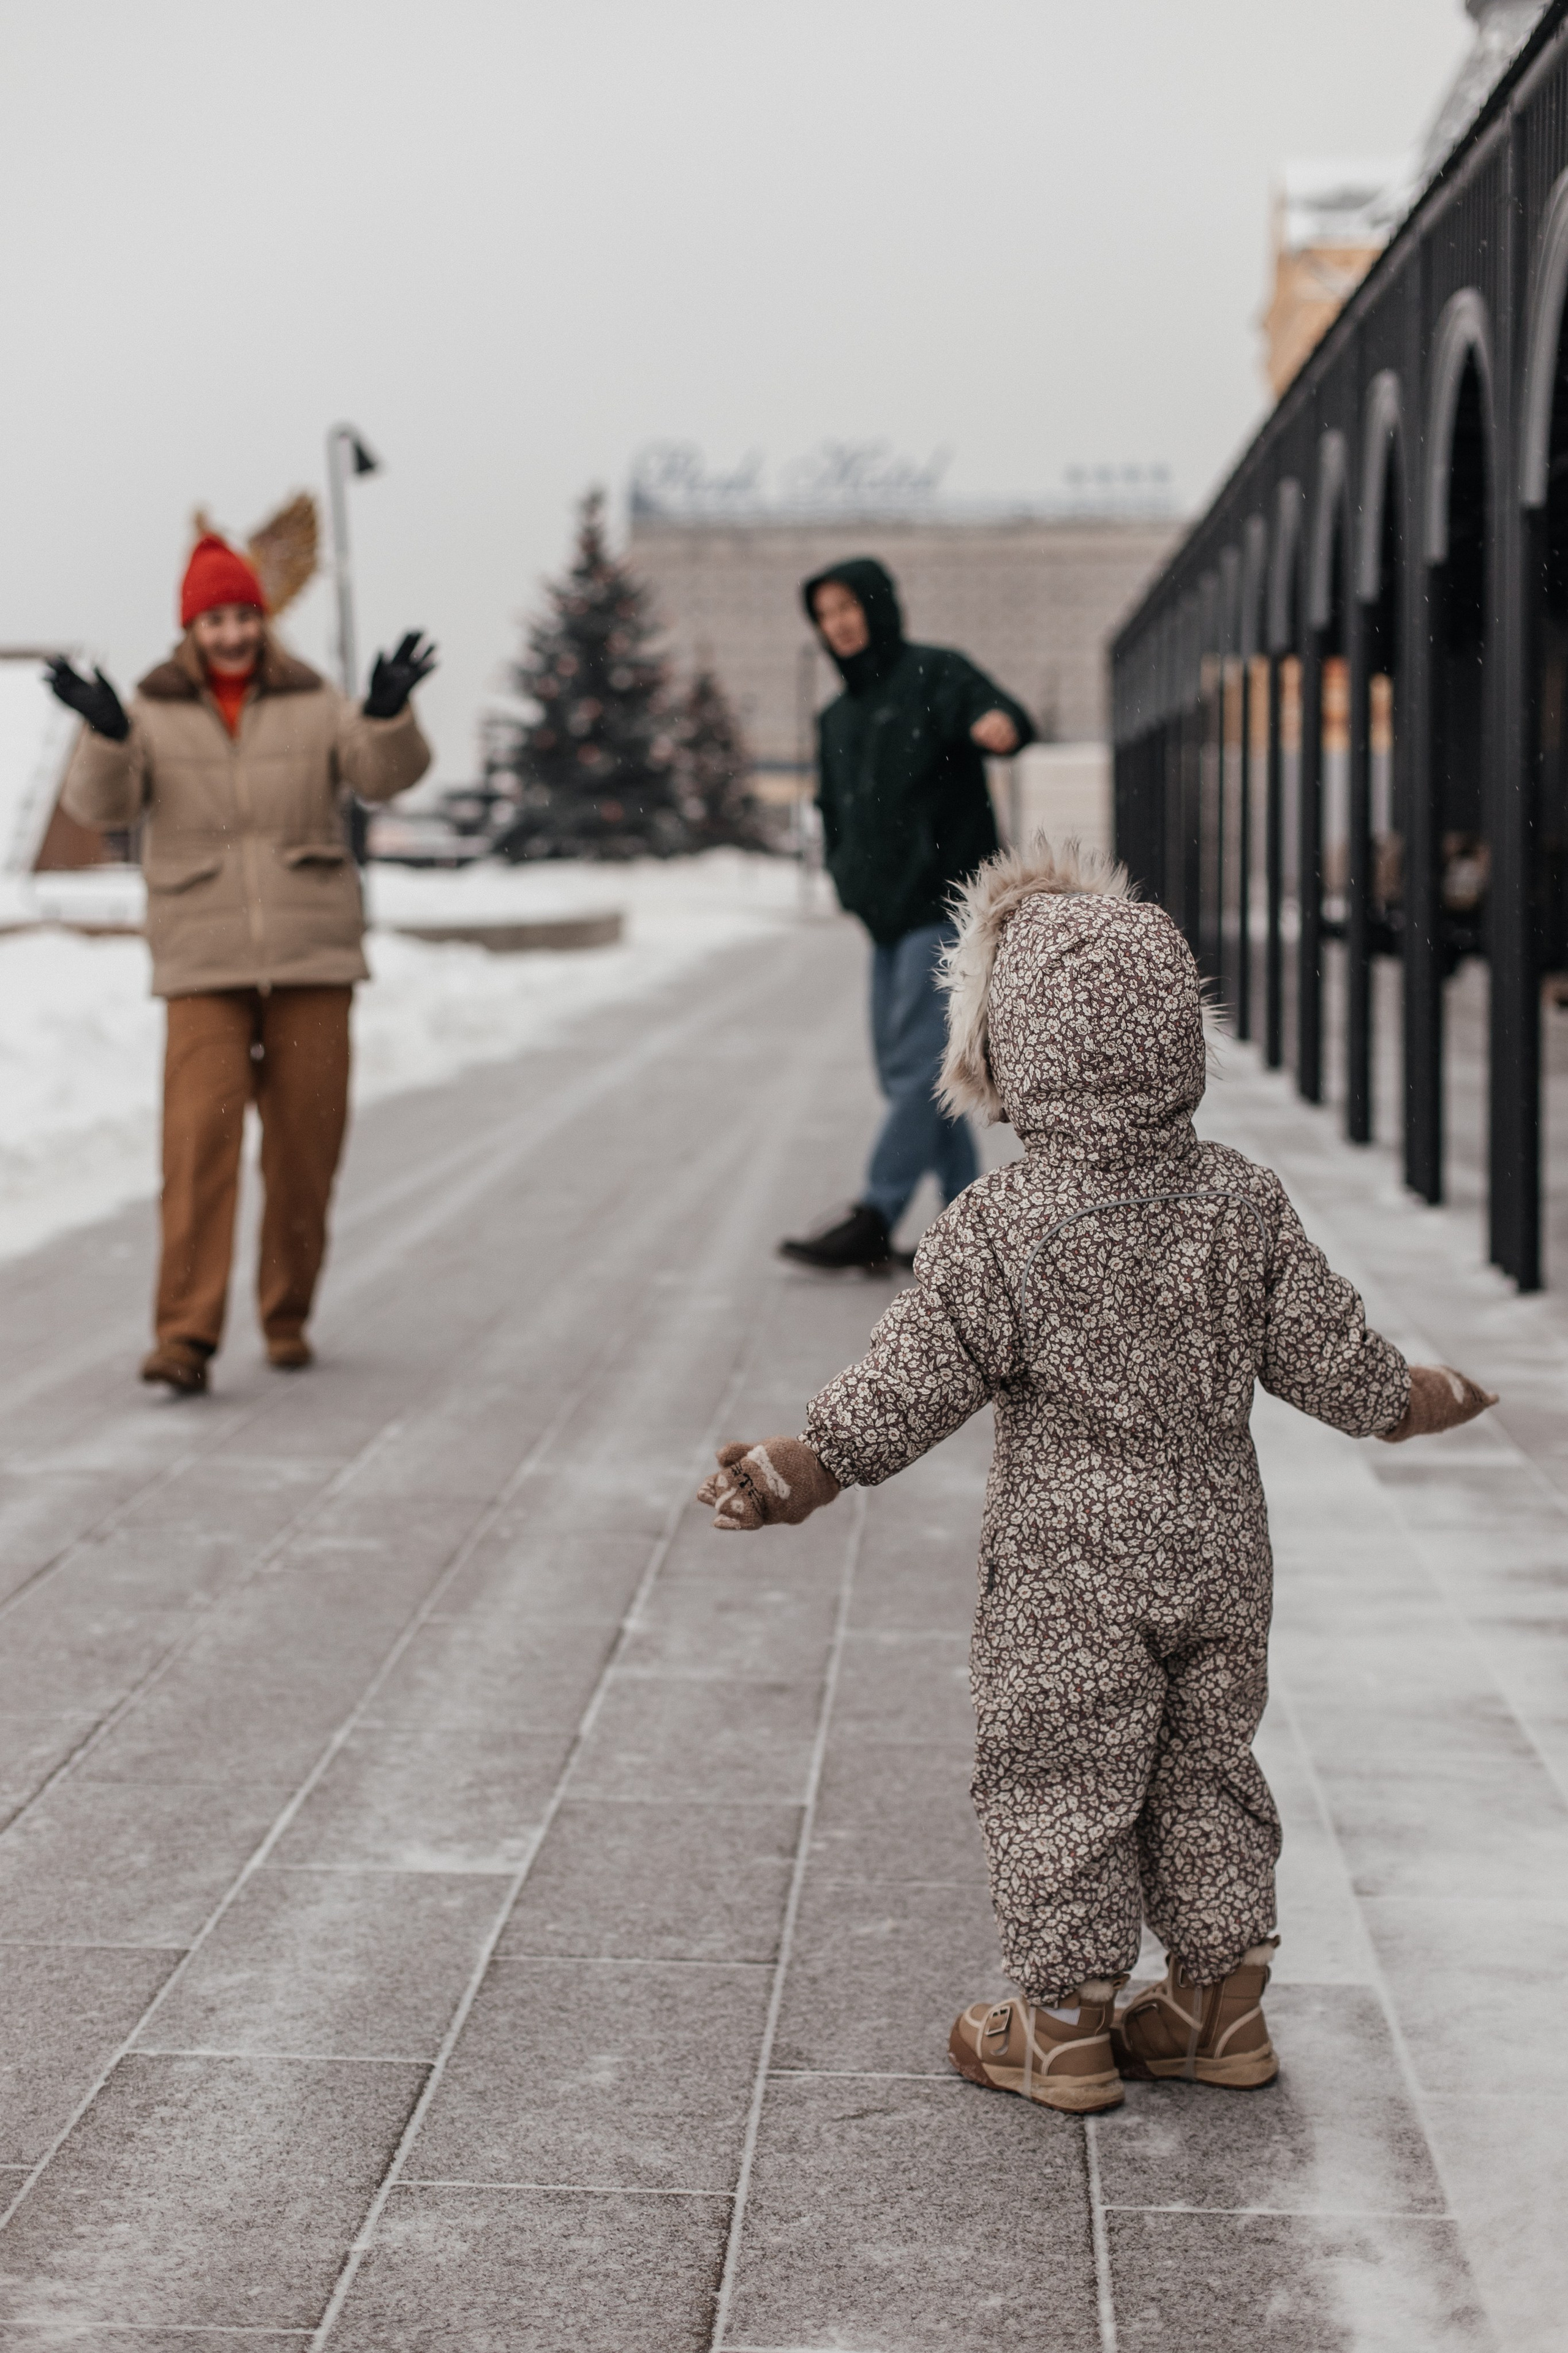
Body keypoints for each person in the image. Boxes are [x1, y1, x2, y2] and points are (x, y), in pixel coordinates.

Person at [699, 839, 1496, 2112]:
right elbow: (1335, 1366)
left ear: (1010, 1052)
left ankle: (1062, 2024)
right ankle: (1216, 2008)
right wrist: (1414, 1396)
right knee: (1205, 1767)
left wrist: (811, 1462)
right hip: (1218, 1552)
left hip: (1065, 1570)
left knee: (1056, 1773)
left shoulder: (999, 1226)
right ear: (1179, 1032)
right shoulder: (1240, 1203)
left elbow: (912, 1379)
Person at [48, 533, 435, 1394]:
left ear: (262, 621)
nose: (230, 634)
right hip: (202, 962)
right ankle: (183, 1338)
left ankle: (287, 1313)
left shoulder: (315, 701)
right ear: (192, 628)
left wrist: (385, 714)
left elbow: (381, 777)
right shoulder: (150, 711)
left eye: (242, 617)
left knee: (306, 1150)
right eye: (214, 619)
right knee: (197, 1150)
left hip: (310, 956)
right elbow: (98, 804)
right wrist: (106, 731)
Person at [780, 558, 1033, 1272]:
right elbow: (832, 809)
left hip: (948, 905)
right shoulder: (836, 717)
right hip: (885, 918)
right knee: (915, 1073)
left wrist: (998, 725)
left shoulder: (936, 674)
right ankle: (973, 1228)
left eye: (847, 607)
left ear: (877, 606)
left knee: (919, 1066)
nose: (839, 623)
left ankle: (876, 1209)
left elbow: (1006, 715)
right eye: (825, 615)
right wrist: (845, 875)